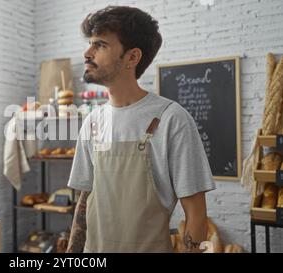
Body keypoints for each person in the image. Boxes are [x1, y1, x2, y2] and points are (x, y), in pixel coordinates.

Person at [66, 6, 216, 253]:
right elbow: (84, 204)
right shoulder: (92, 122)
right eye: (90, 43)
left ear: (132, 57)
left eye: (100, 45)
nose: (87, 53)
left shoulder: (171, 119)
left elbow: (197, 214)